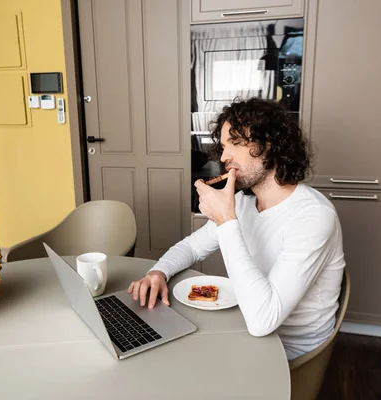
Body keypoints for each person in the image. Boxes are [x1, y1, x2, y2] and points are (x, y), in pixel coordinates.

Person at [127, 97, 345, 360]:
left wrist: (226, 220)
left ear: (270, 144)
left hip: (287, 353)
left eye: (236, 143)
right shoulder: (243, 202)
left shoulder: (313, 216)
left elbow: (263, 321)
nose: (224, 156)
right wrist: (158, 271)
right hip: (244, 325)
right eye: (223, 145)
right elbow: (192, 247)